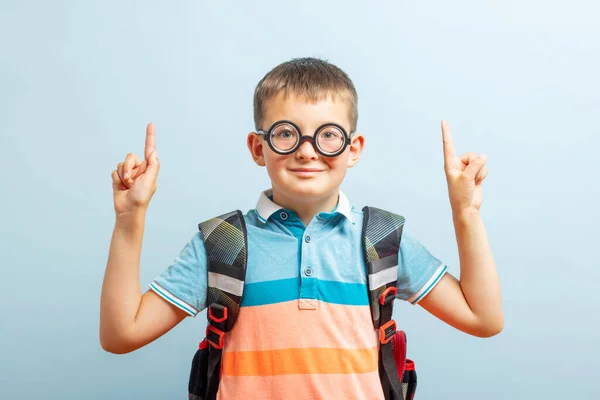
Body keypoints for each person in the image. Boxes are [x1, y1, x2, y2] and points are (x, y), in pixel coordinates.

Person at [100, 57, 503, 399]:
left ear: (353, 148)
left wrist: (465, 212)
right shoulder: (222, 243)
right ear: (259, 148)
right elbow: (121, 335)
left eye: (328, 135)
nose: (307, 150)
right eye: (286, 134)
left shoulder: (381, 238)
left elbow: (483, 318)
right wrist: (129, 220)